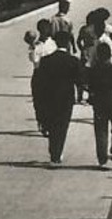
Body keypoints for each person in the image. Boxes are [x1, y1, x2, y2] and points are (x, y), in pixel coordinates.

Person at [31, 32, 83, 165]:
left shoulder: (47, 60)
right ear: (67, 43)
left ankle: (54, 151)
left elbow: (40, 81)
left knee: (53, 124)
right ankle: (57, 153)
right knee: (62, 125)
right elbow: (80, 80)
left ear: (55, 43)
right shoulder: (73, 60)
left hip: (50, 96)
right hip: (66, 97)